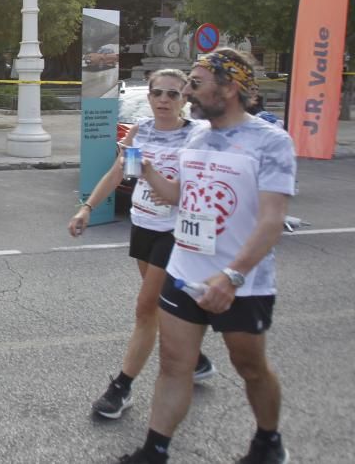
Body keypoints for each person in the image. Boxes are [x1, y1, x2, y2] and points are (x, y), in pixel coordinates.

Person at [118, 48, 296, 464]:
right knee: (174, 363)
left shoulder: (270, 142)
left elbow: (272, 221)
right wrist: (144, 169)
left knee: (250, 367)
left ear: (230, 88)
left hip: (241, 283)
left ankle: (268, 441)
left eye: (195, 85)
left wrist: (232, 275)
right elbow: (181, 197)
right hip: (185, 271)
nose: (187, 93)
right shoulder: (195, 135)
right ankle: (154, 450)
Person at [68, 69, 214, 421]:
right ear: (148, 96)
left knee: (145, 308)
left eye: (172, 94)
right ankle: (196, 359)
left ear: (185, 99)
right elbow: (118, 172)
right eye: (157, 93)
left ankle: (121, 388)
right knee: (162, 305)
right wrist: (87, 208)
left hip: (176, 232)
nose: (164, 99)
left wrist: (150, 171)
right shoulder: (140, 131)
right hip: (144, 225)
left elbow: (194, 187)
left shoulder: (197, 136)